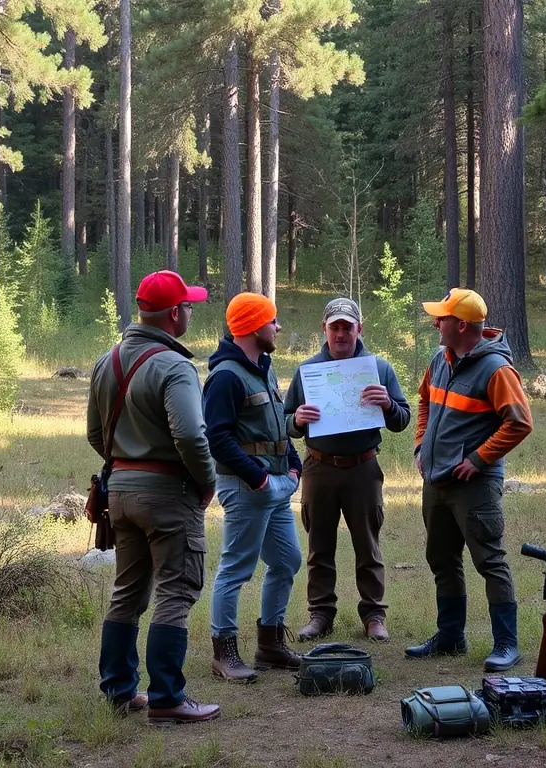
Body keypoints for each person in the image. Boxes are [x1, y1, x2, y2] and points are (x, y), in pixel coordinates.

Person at [86, 270, 219, 725]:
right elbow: (190, 433)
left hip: (119, 492)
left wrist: (127, 461)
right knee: (176, 592)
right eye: (189, 306)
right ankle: (167, 698)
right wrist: (207, 481)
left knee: (126, 592)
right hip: (167, 494)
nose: (191, 311)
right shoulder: (174, 365)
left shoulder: (108, 361)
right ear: (175, 313)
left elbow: (93, 433)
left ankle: (119, 692)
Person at [407, 288, 534, 672]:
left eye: (441, 318)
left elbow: (520, 422)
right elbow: (425, 400)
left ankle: (507, 644)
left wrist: (479, 459)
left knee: (489, 560)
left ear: (461, 325)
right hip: (436, 479)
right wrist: (420, 446)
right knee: (441, 558)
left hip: (474, 485)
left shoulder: (497, 370)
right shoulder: (440, 359)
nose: (435, 323)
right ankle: (450, 637)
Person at [283, 297, 411, 643]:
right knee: (319, 545)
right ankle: (320, 614)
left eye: (347, 327)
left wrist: (386, 404)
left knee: (367, 544)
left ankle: (373, 614)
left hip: (363, 468)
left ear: (359, 329)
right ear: (323, 330)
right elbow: (283, 422)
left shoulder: (378, 369)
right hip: (319, 467)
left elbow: (403, 419)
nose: (341, 334)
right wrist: (296, 420)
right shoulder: (307, 371)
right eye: (334, 327)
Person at [203, 292, 304, 683]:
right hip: (248, 487)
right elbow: (218, 438)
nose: (277, 327)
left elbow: (277, 426)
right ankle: (224, 654)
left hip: (275, 485)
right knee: (236, 569)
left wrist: (293, 464)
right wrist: (258, 477)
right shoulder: (226, 376)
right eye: (272, 321)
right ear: (252, 326)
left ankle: (270, 645)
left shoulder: (262, 367)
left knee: (286, 561)